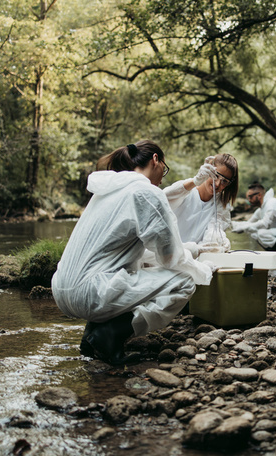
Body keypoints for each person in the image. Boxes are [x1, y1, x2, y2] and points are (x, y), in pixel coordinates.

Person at [51, 140, 214, 366]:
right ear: (155, 160)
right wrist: (204, 270)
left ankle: (91, 337)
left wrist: (194, 249)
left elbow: (144, 253)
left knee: (134, 269)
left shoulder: (108, 190)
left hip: (62, 290)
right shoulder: (146, 192)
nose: (162, 178)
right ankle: (110, 334)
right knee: (184, 281)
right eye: (164, 170)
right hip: (90, 294)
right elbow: (170, 257)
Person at [163, 153, 239, 258]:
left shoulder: (221, 205)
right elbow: (160, 199)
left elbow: (212, 232)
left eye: (224, 181)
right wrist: (195, 181)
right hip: (168, 254)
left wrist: (219, 240)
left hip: (194, 259)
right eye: (215, 175)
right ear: (208, 170)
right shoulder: (187, 189)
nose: (217, 184)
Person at [232, 181, 276, 250]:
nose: (249, 200)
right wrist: (231, 224)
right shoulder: (260, 210)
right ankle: (275, 254)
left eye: (250, 197)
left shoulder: (272, 203)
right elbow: (249, 223)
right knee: (254, 233)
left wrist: (244, 228)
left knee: (262, 233)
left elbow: (265, 224)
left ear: (259, 195)